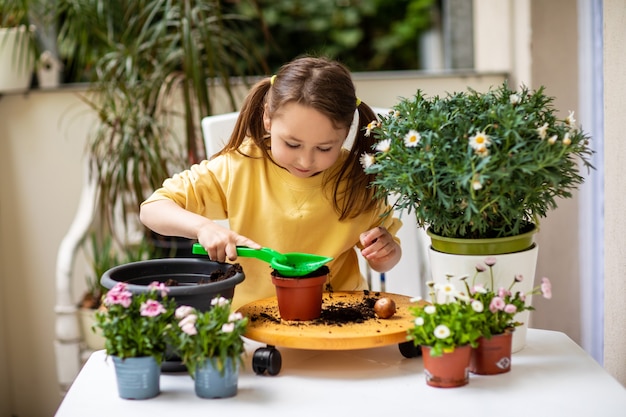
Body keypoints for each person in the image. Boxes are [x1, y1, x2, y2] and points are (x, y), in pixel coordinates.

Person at [140, 56, 402, 309]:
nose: (305, 160)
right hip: (255, 321)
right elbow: (152, 209)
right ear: (268, 118)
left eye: (324, 148)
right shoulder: (239, 166)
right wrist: (203, 228)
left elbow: (385, 260)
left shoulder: (357, 177)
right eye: (292, 144)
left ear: (345, 134)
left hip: (343, 316)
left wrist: (385, 253)